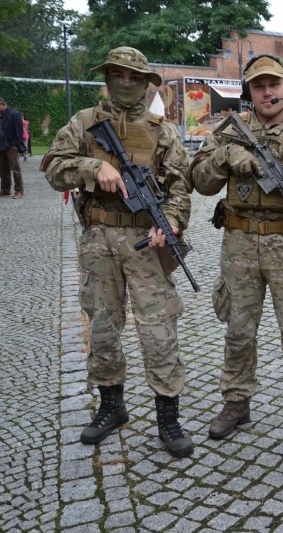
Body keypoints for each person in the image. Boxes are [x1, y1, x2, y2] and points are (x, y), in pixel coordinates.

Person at [41, 47, 194, 458]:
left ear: (147, 83)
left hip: (146, 243)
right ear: (106, 78)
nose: (125, 82)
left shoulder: (164, 131)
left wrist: (173, 223)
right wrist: (94, 169)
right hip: (98, 239)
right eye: (117, 75)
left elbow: (181, 187)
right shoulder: (84, 123)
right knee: (104, 326)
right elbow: (54, 168)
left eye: (134, 76)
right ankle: (112, 407)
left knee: (159, 329)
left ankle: (168, 416)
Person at [190, 54, 283, 451]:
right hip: (239, 244)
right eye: (258, 86)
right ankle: (236, 402)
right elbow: (199, 181)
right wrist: (227, 157)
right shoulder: (228, 134)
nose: (267, 92)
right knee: (239, 330)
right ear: (248, 93)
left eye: (273, 85)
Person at [0, 97, 25, 198]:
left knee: (15, 169)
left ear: (1, 104)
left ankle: (19, 190)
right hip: (0, 147)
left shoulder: (14, 114)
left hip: (11, 146)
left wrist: (14, 144)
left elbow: (19, 132)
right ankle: (5, 190)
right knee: (2, 170)